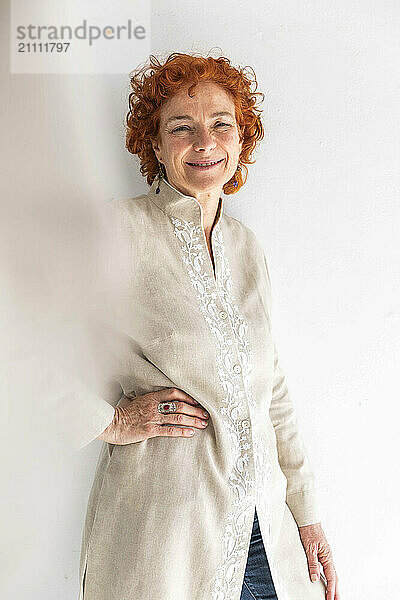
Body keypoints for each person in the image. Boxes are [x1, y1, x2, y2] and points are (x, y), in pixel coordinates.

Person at [78, 52, 340, 600]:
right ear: (155, 146)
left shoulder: (247, 248)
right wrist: (109, 420)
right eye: (182, 128)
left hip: (265, 537)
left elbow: (274, 392)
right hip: (166, 539)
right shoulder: (114, 231)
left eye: (222, 125)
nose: (205, 142)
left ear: (241, 140)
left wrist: (307, 514)